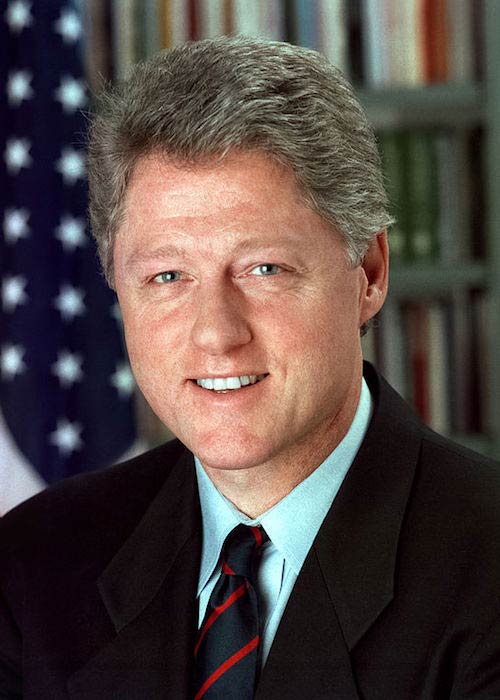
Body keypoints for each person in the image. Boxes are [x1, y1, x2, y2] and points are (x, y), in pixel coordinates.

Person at [1, 35, 500, 700]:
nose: (216, 334)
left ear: (370, 273)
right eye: (168, 275)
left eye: (265, 268)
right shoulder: (34, 566)